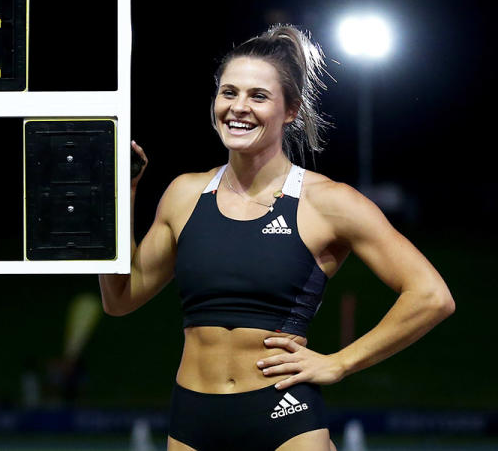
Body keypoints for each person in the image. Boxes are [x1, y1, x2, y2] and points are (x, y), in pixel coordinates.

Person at [99, 24, 455, 451]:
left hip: (285, 417)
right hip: (193, 416)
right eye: (228, 92)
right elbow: (119, 299)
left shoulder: (328, 201)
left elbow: (431, 295)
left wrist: (340, 363)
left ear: (291, 111)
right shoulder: (183, 194)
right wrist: (119, 199)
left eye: (258, 96)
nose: (238, 107)